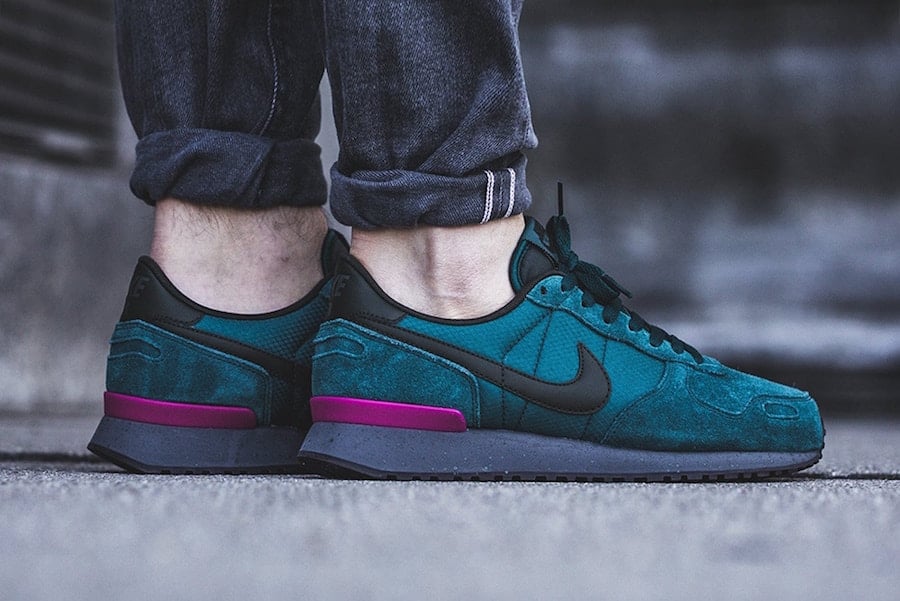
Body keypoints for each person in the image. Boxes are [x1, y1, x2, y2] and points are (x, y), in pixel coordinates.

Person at [88, 1, 824, 480]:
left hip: (190, 313)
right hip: (445, 290)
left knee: (235, 218)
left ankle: (228, 278)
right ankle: (447, 269)